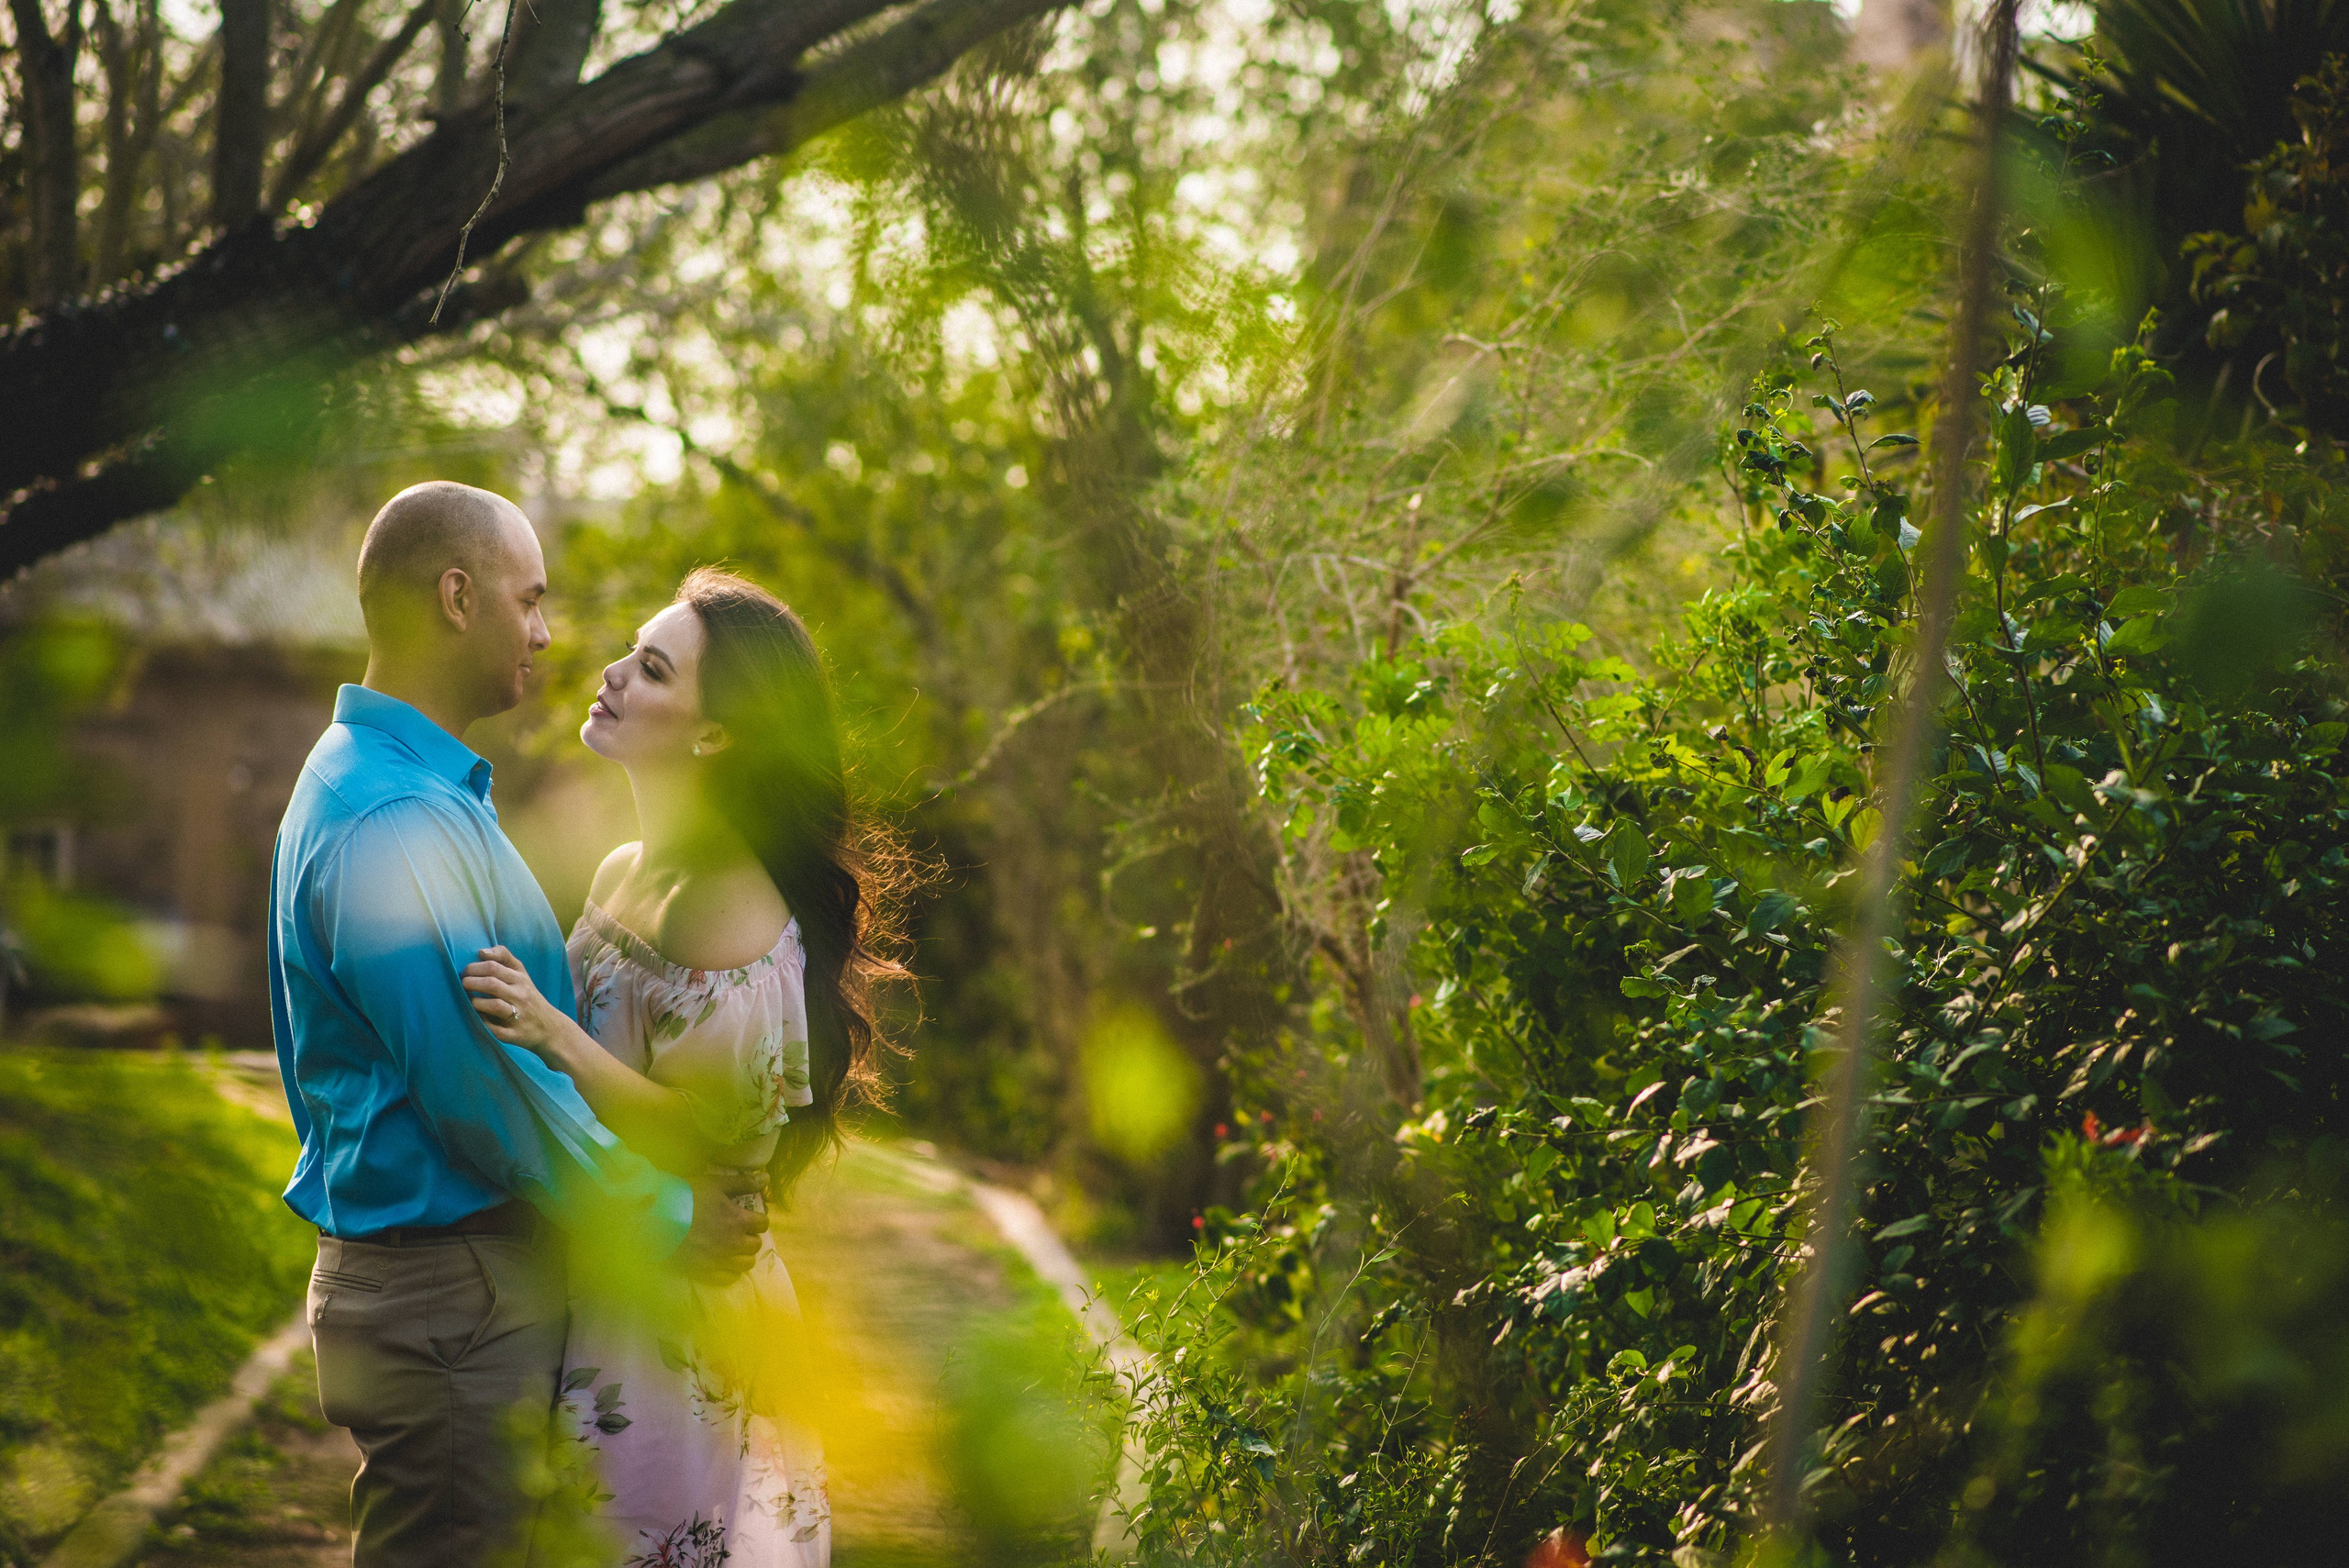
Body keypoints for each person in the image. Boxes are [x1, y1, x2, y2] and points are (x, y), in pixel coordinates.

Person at [268, 483, 770, 1568]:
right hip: (451, 1300)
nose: (546, 633)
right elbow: (483, 1092)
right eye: (529, 599)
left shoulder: (403, 783)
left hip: (456, 1291)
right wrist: (670, 1217)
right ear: (457, 597)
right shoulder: (395, 816)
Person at [458, 567, 888, 1566]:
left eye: (652, 669)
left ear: (714, 734)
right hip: (614, 1263)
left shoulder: (728, 903)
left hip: (677, 1313)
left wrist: (555, 1034)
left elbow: (717, 1131)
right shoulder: (624, 868)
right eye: (631, 651)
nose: (612, 673)